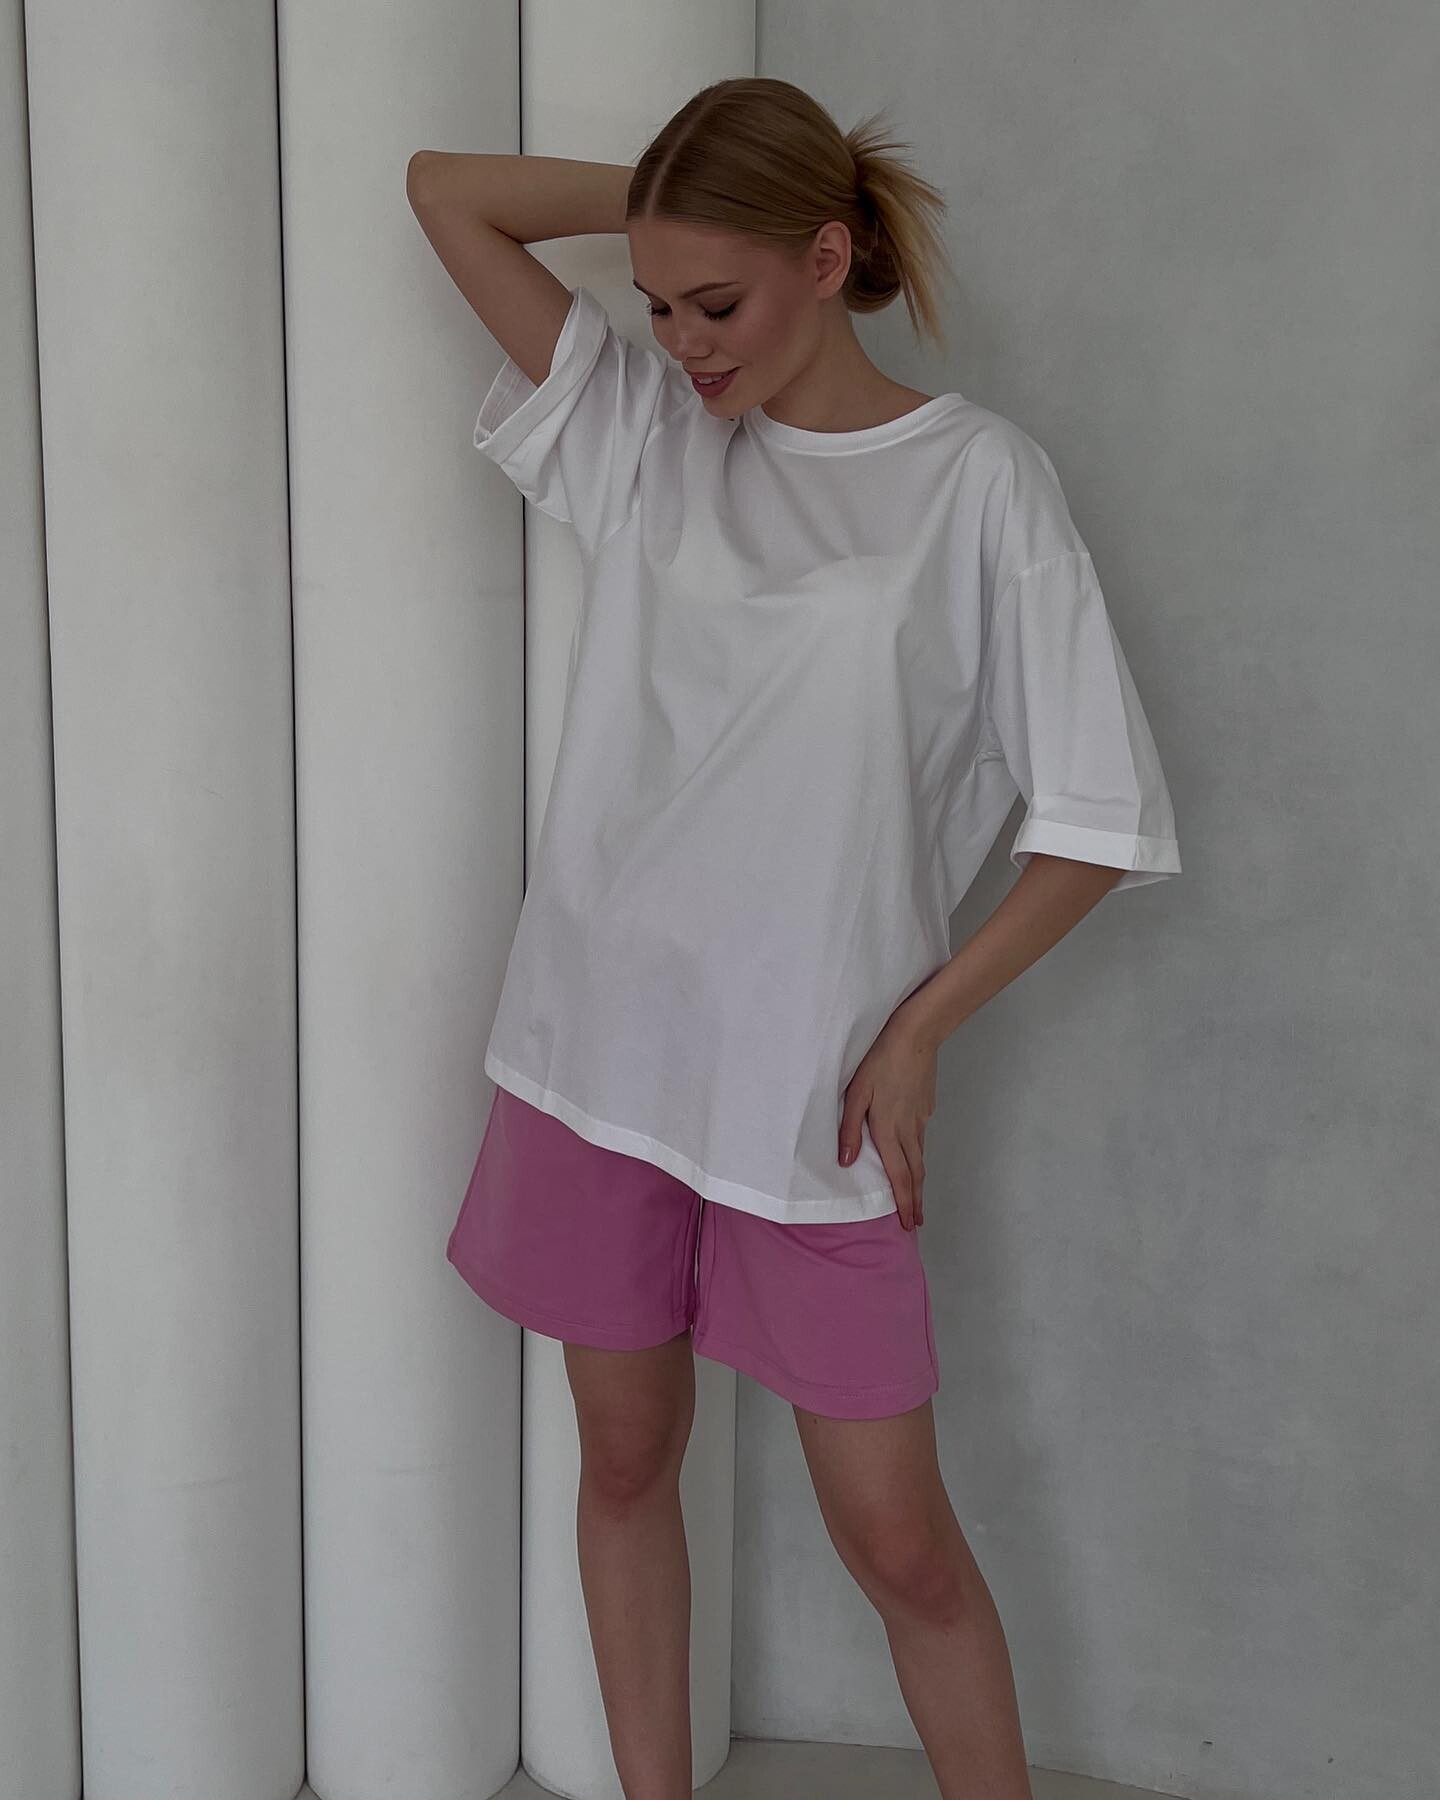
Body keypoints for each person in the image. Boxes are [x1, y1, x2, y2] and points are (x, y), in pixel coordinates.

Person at [408, 76, 1180, 1800]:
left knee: (899, 1542)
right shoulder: (651, 436)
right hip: (599, 1048)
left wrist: (917, 1031)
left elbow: (1095, 824)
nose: (683, 345)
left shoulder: (976, 485)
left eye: (719, 302)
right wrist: (676, 199)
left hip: (810, 1085)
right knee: (625, 1465)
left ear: (828, 261)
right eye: (657, 306)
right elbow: (443, 189)